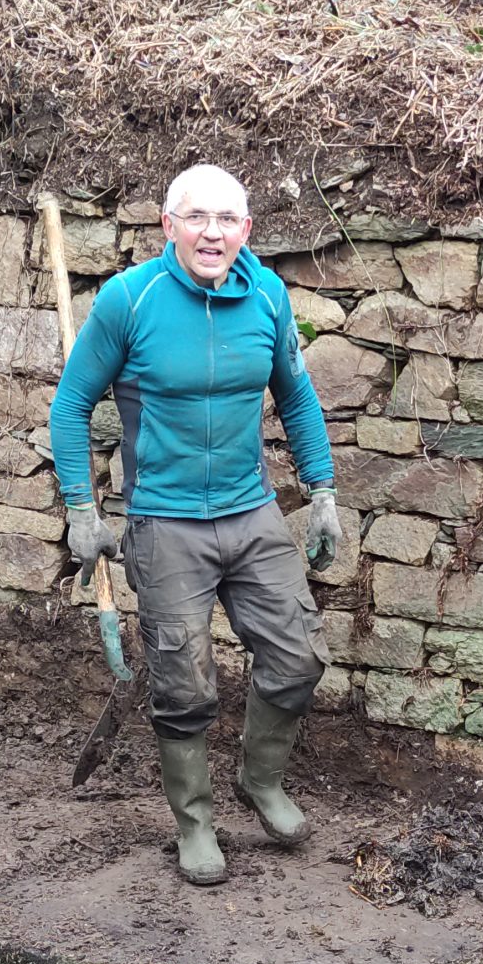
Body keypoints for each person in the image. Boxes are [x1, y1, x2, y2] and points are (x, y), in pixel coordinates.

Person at [48, 164, 343, 886]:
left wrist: (323, 488)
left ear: (246, 230)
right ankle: (196, 823)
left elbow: (296, 398)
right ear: (168, 226)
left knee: (299, 656)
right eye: (196, 217)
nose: (212, 232)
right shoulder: (129, 300)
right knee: (184, 682)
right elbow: (70, 405)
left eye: (227, 219)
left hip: (251, 512)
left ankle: (260, 780)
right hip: (166, 523)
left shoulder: (268, 295)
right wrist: (81, 508)